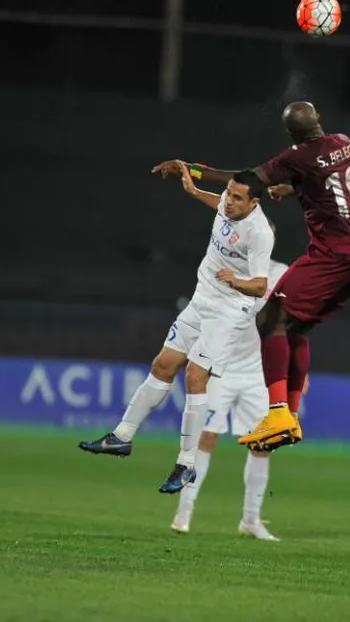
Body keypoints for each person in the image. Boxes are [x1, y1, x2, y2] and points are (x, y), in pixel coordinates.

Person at [152, 101, 350, 452]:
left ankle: (277, 412)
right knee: (294, 328)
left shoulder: (296, 157)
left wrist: (192, 170)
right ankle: (291, 417)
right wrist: (293, 189)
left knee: (270, 318)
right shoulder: (343, 143)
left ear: (290, 133)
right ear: (319, 120)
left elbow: (242, 181)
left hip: (333, 255)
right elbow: (331, 184)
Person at [78, 164, 274, 494]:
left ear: (254, 202)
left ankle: (186, 463)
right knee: (162, 365)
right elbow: (219, 205)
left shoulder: (259, 233)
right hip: (201, 300)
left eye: (238, 198)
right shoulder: (228, 204)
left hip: (229, 311)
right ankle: (122, 436)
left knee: (195, 376)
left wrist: (235, 281)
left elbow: (260, 286)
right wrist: (196, 192)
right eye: (228, 194)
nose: (229, 202)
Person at [171, 255, 306, 541]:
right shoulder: (223, 267)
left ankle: (251, 520)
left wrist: (298, 370)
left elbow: (294, 323)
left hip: (259, 371)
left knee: (263, 443)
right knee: (206, 437)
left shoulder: (281, 274)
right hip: (220, 367)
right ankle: (184, 512)